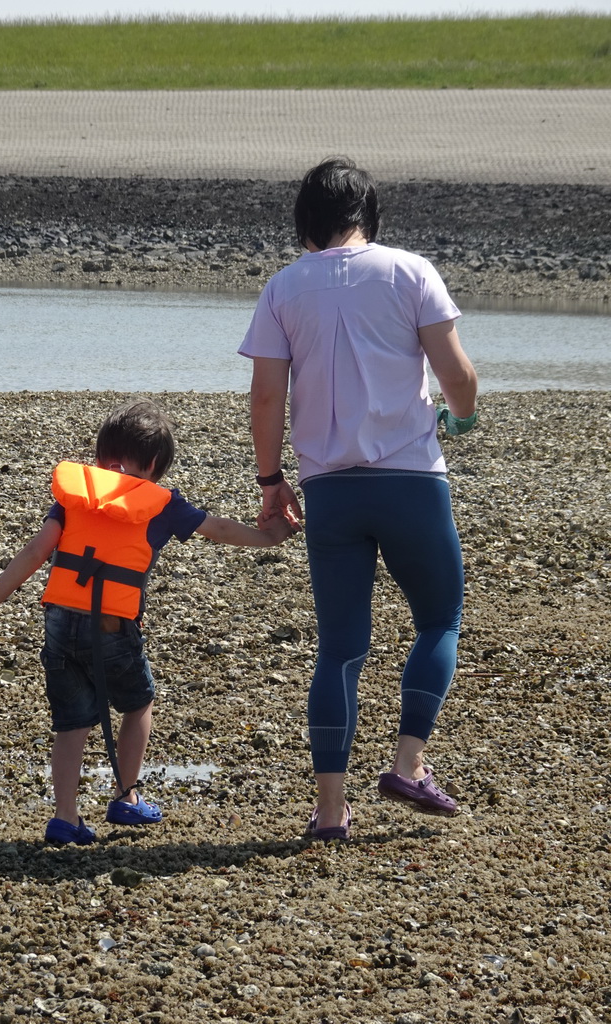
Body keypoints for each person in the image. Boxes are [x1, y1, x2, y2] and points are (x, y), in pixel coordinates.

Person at [239, 157, 478, 841]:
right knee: (438, 617)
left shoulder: (283, 288)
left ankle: (328, 811)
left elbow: (265, 396)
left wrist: (269, 481)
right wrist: (459, 418)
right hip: (410, 479)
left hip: (329, 488)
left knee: (340, 647)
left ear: (304, 221)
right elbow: (456, 377)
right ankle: (408, 763)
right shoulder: (410, 271)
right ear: (368, 215)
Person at [0, 399, 294, 845]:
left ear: (101, 458)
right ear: (157, 464)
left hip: (60, 623)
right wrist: (268, 537)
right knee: (138, 702)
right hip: (112, 628)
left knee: (71, 722)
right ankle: (127, 796)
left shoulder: (74, 498)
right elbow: (217, 529)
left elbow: (35, 551)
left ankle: (65, 817)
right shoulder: (161, 504)